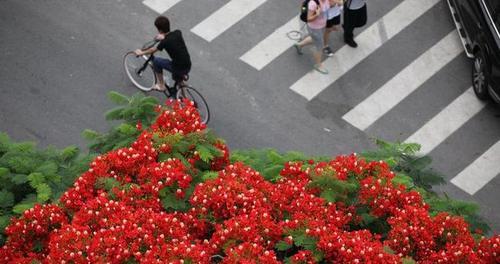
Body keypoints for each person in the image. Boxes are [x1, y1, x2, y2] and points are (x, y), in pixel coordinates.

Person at [134, 16, 191, 91]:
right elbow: (171, 37)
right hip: (187, 64)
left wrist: (141, 53)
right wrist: (163, 36)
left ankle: (161, 85)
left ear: (159, 30)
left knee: (156, 61)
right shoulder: (178, 32)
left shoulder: (165, 42)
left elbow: (152, 50)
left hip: (178, 68)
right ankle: (183, 93)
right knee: (179, 79)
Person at [294, 0, 330, 74]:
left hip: (321, 26)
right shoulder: (313, 3)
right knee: (319, 46)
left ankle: (299, 45)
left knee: (314, 39)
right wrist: (317, 14)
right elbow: (308, 19)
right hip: (315, 28)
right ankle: (318, 65)